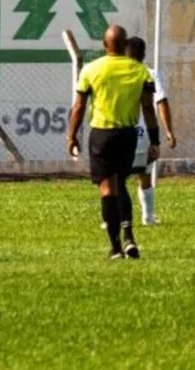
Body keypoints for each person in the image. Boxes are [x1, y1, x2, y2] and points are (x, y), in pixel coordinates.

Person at [68, 25, 160, 260]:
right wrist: (155, 140)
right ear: (125, 43)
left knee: (107, 189)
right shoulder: (140, 71)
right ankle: (129, 235)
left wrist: (72, 135)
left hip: (102, 134)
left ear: (104, 44)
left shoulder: (92, 69)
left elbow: (78, 106)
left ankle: (115, 246)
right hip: (127, 134)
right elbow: (148, 108)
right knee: (121, 183)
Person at [124, 37, 177, 226]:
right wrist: (168, 131)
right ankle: (147, 216)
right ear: (143, 55)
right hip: (144, 134)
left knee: (115, 178)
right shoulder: (150, 74)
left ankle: (113, 219)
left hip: (118, 132)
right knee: (144, 175)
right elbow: (161, 102)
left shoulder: (116, 74)